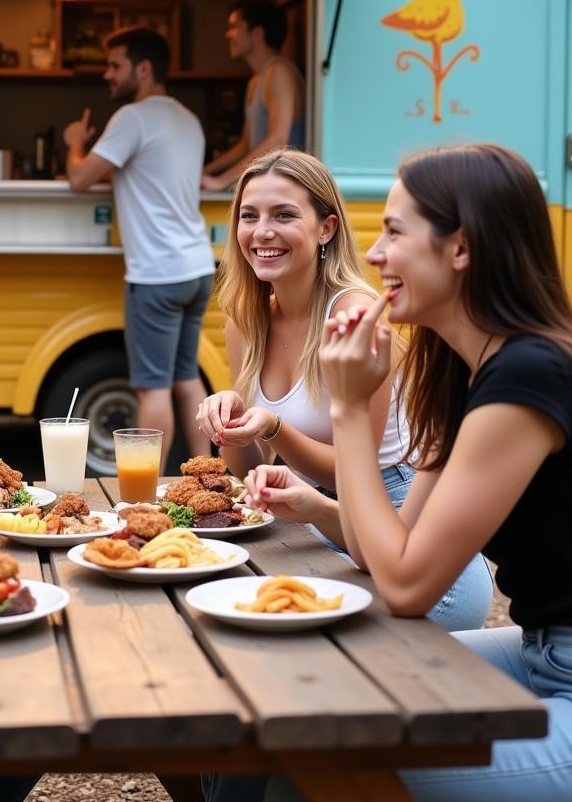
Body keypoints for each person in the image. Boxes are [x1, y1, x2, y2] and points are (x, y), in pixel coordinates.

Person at [211, 143, 572, 802]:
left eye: (395, 232)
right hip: (538, 651)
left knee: (318, 762)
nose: (373, 256)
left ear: (460, 249)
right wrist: (316, 507)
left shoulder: (531, 377)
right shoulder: (462, 367)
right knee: (282, 705)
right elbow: (392, 544)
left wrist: (345, 405)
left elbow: (406, 589)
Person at [196, 148, 492, 631]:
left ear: (326, 228)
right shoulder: (245, 318)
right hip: (317, 523)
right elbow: (248, 473)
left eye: (284, 215)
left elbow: (356, 470)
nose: (261, 232)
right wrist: (231, 425)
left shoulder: (354, 315)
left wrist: (273, 427)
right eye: (248, 216)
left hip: (404, 528)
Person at [64, 26, 214, 462]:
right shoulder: (187, 119)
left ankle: (152, 486)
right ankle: (207, 472)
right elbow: (143, 173)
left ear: (143, 68)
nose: (107, 74)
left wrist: (76, 145)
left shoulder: (132, 117)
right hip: (197, 267)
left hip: (157, 275)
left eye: (115, 65)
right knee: (186, 377)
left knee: (152, 386)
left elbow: (79, 180)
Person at [201, 0, 305, 190]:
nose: (228, 34)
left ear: (257, 33)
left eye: (234, 27)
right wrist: (205, 172)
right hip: (265, 187)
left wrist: (222, 181)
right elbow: (246, 144)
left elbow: (278, 140)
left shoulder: (280, 72)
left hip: (285, 190)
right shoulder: (256, 80)